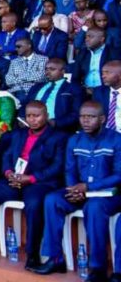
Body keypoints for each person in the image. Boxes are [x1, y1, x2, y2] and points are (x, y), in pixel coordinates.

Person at [0, 101, 66, 269]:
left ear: (46, 116)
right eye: (29, 116)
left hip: (39, 183)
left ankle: (33, 254)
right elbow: (7, 157)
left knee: (34, 204)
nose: (32, 120)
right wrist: (9, 173)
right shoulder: (18, 134)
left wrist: (30, 178)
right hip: (14, 180)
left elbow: (57, 166)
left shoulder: (58, 137)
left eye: (37, 116)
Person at [32, 102, 121, 279]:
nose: (85, 121)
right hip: (80, 191)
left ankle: (98, 267)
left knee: (94, 207)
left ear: (102, 119)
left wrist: (89, 187)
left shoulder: (116, 139)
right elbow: (69, 170)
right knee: (52, 200)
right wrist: (73, 189)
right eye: (82, 117)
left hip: (109, 194)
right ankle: (55, 258)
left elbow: (119, 174)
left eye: (91, 117)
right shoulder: (74, 140)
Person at [22, 58, 83, 133]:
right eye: (46, 69)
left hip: (56, 128)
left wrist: (55, 123)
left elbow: (76, 113)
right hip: (30, 126)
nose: (47, 72)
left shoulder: (73, 88)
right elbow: (25, 104)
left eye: (52, 69)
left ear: (63, 71)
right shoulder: (36, 87)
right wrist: (22, 118)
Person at [5, 37, 48, 103]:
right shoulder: (14, 61)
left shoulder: (43, 59)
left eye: (19, 47)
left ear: (29, 46)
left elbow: (41, 76)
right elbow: (8, 80)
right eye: (16, 47)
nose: (16, 49)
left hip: (35, 91)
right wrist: (30, 77)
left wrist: (18, 77)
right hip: (16, 92)